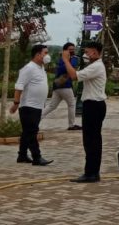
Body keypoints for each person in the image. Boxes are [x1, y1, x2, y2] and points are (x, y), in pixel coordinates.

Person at [71, 41, 107, 183]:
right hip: (92, 105)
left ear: (95, 52)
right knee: (91, 140)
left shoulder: (97, 66)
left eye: (87, 52)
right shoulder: (93, 66)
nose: (85, 55)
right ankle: (92, 171)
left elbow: (74, 76)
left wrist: (66, 60)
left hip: (94, 106)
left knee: (91, 140)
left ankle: (91, 173)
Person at [11, 45, 53, 166]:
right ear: (38, 54)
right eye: (45, 53)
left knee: (27, 131)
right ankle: (37, 157)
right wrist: (16, 103)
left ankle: (22, 155)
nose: (47, 55)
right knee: (32, 132)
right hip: (28, 106)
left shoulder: (41, 68)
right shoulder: (28, 68)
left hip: (37, 106)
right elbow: (19, 87)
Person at [43, 42, 81, 131]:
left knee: (52, 106)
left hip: (58, 85)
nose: (72, 51)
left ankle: (36, 119)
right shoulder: (63, 59)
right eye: (70, 49)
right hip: (65, 85)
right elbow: (66, 69)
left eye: (73, 49)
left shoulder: (66, 59)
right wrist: (67, 61)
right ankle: (71, 125)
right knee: (71, 104)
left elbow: (71, 67)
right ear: (65, 51)